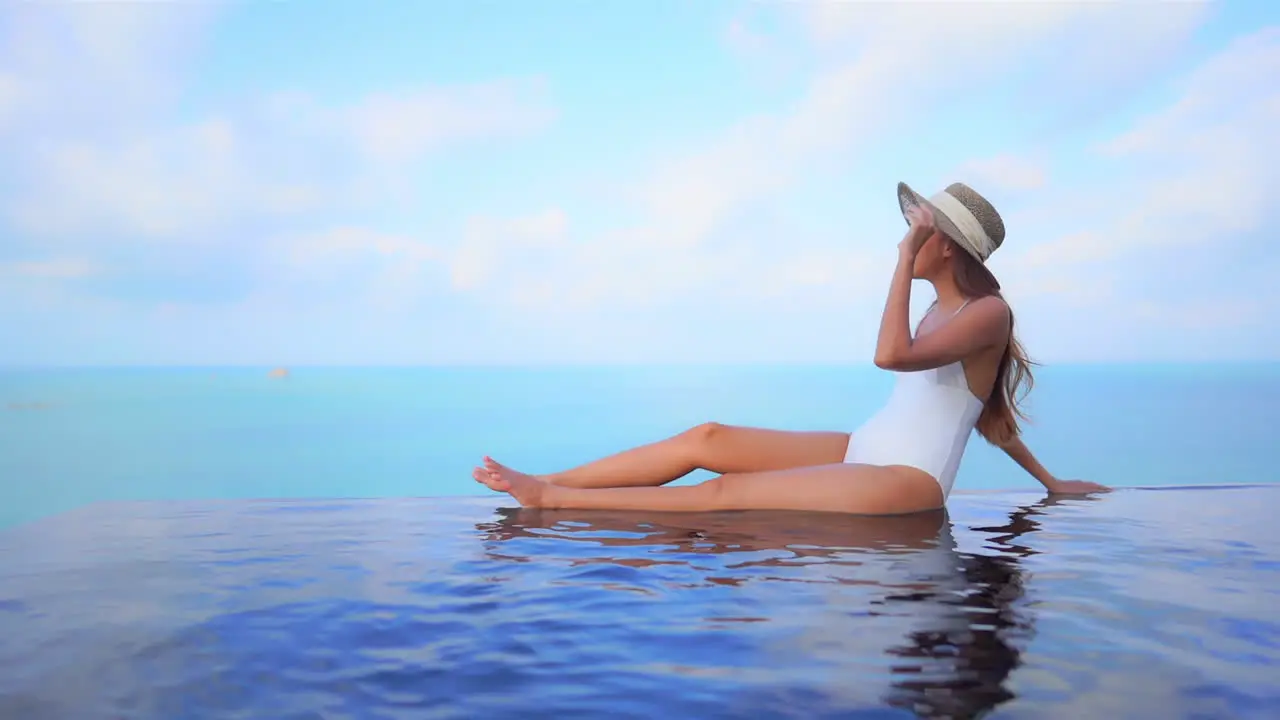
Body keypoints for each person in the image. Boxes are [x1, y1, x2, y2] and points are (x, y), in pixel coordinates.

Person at [473, 181, 1111, 513]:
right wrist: (1051, 483)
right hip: (866, 450)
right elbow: (989, 416)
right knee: (710, 438)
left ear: (945, 245)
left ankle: (551, 500)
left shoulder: (987, 313)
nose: (908, 238)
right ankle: (555, 479)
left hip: (906, 482)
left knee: (723, 496)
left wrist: (898, 260)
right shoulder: (942, 309)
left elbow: (887, 356)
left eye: (921, 231)